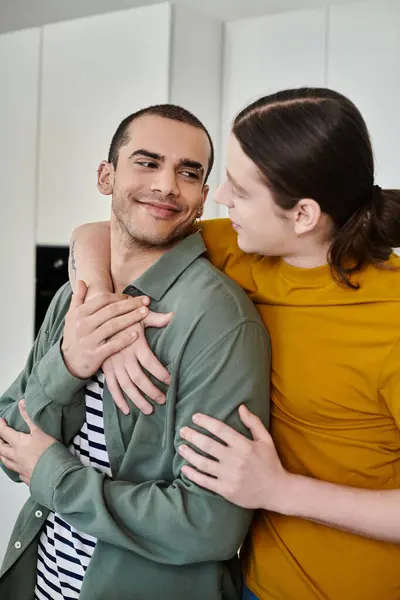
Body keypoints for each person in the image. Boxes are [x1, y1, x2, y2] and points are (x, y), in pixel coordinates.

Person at [67, 87, 400, 600]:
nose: (217, 196)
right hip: (251, 584)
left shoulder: (390, 319)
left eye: (240, 190)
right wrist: (111, 321)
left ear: (304, 215)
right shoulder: (245, 246)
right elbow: (101, 232)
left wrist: (280, 491)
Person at [0, 104, 271, 600]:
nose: (168, 185)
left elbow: (209, 524)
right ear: (106, 176)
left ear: (203, 197)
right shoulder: (76, 295)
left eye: (188, 173)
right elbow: (8, 438)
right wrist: (67, 366)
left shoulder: (219, 321)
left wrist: (55, 476)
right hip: (40, 581)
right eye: (147, 163)